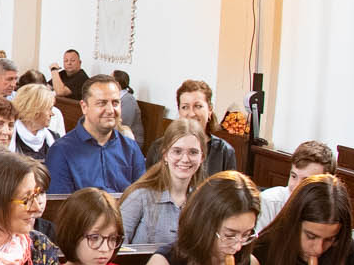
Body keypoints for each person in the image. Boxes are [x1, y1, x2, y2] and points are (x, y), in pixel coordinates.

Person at [47, 75, 146, 195]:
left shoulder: (131, 148)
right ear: (84, 107)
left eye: (115, 103)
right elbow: (61, 203)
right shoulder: (61, 150)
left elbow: (141, 197)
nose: (110, 110)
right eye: (102, 103)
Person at [118, 117, 207, 247]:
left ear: (202, 157)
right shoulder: (139, 196)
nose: (185, 159)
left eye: (193, 152)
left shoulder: (203, 203)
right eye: (177, 151)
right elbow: (117, 248)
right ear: (165, 155)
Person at [147, 79, 237, 178]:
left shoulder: (224, 151)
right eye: (185, 107)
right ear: (179, 111)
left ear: (210, 110)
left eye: (198, 106)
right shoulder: (158, 147)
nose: (191, 114)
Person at [255, 140, 335, 232]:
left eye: (306, 181)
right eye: (293, 176)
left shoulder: (332, 210)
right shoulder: (269, 202)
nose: (296, 186)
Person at [8, 84, 61, 163]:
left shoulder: (54, 138)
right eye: (49, 109)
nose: (52, 114)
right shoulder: (8, 137)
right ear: (35, 110)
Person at [113, 70, 140, 136]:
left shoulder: (128, 100)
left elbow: (123, 125)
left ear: (117, 84)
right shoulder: (114, 97)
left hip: (129, 138)